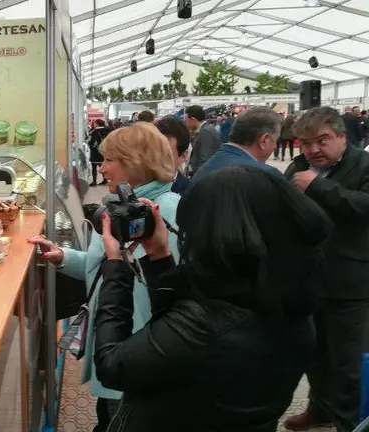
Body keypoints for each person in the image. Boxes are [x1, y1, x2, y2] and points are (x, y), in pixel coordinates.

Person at [93, 165, 331, 432]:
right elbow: (174, 329)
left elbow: (112, 365)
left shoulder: (205, 325)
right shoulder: (287, 301)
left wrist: (116, 270)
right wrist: (159, 259)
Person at [29, 122, 181, 432]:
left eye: (111, 160)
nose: (104, 168)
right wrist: (62, 257)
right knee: (109, 414)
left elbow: (162, 286)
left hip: (139, 352)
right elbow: (106, 266)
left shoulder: (166, 213)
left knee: (121, 419)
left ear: (136, 162)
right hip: (118, 343)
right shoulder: (124, 208)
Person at [283, 106, 369, 432]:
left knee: (346, 363)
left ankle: (348, 424)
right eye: (306, 143)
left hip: (350, 281)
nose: (314, 150)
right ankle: (321, 410)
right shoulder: (299, 165)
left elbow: (364, 207)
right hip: (308, 278)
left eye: (322, 140)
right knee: (313, 353)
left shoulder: (364, 164)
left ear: (341, 137)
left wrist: (318, 187)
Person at [192, 106, 282, 182]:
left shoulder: (206, 168)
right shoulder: (265, 176)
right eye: (275, 141)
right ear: (264, 140)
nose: (275, 147)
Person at [155, 116, 191, 194]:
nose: (156, 159)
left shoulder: (189, 194)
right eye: (153, 151)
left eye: (166, 154)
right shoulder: (132, 185)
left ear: (183, 156)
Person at [185, 105, 222, 175]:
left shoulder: (206, 132)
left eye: (186, 120)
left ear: (193, 119)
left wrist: (197, 177)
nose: (186, 123)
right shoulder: (205, 130)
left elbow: (205, 158)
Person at [88, 119, 111, 186]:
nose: (94, 124)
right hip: (105, 150)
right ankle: (105, 180)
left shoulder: (95, 131)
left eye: (95, 123)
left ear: (97, 123)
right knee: (102, 165)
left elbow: (92, 142)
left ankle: (94, 181)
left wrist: (90, 144)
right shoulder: (108, 130)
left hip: (96, 151)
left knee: (94, 166)